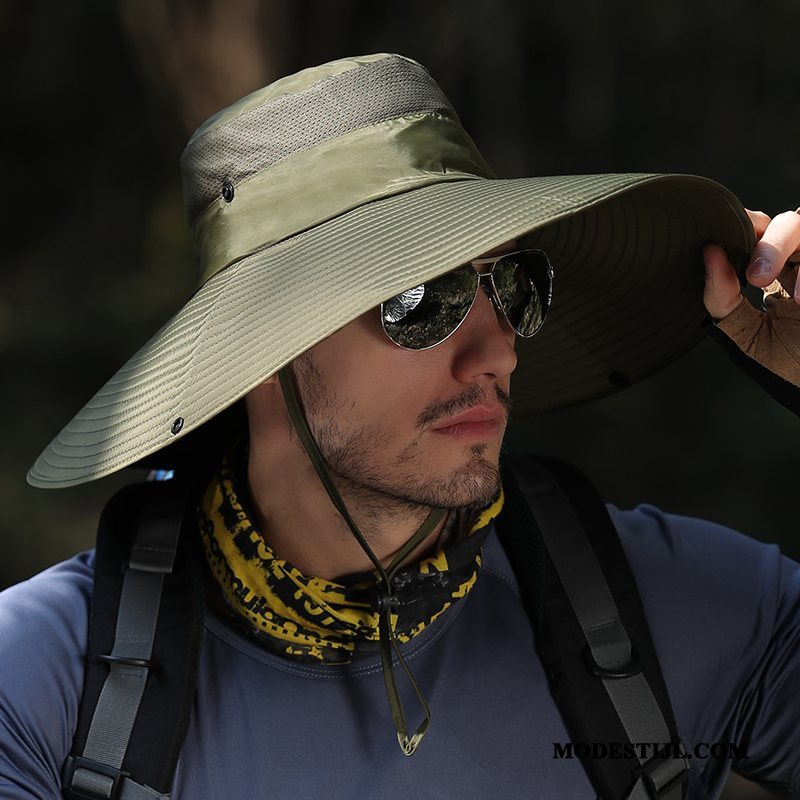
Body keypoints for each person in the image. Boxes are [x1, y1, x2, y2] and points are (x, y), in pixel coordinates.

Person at [3, 52, 800, 800]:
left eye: (515, 286)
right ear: (257, 350)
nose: (500, 353)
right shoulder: (44, 690)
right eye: (424, 295)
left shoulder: (689, 615)